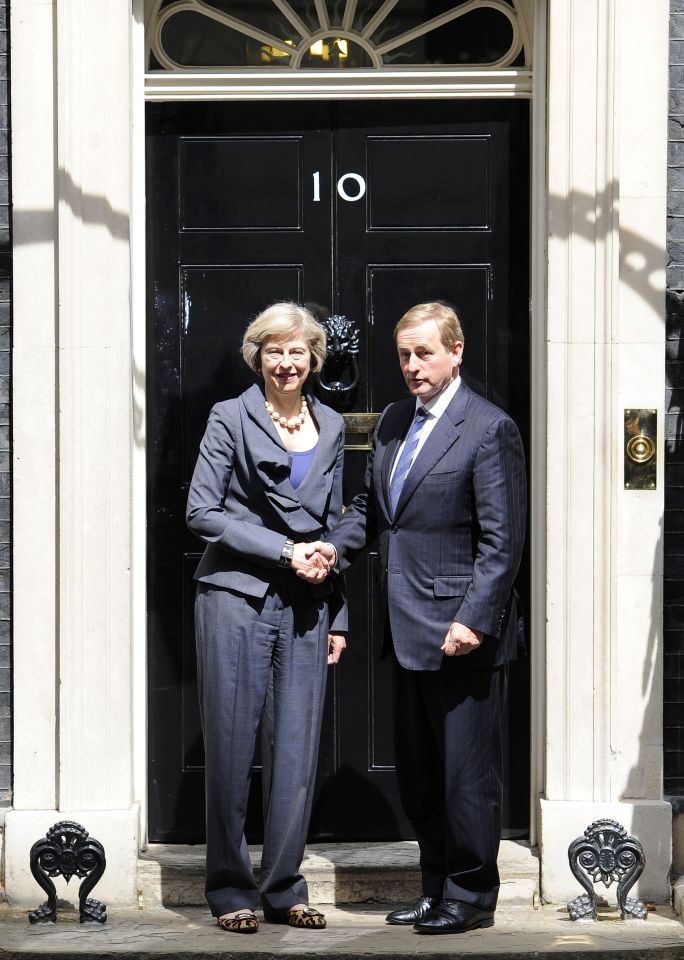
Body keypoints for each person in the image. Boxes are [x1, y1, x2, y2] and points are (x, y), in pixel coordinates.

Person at [304, 301, 526, 935]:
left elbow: (502, 542)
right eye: (403, 354)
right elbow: (374, 513)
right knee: (422, 777)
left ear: (456, 352)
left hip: (462, 634)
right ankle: (434, 889)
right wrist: (331, 548)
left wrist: (475, 620)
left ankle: (472, 896)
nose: (411, 366)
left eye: (424, 353)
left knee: (466, 777)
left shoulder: (489, 428)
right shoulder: (396, 423)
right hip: (404, 630)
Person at [186, 302, 346, 935]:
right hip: (235, 597)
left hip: (308, 604)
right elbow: (202, 511)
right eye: (274, 351)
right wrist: (282, 549)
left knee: (297, 750)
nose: (286, 362)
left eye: (298, 351)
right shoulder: (230, 417)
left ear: (313, 360)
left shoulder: (331, 425)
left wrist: (340, 615)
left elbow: (333, 525)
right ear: (258, 357)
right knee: (230, 747)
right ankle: (230, 889)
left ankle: (284, 887)